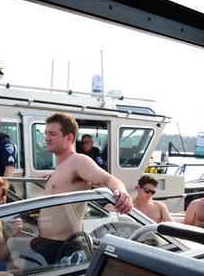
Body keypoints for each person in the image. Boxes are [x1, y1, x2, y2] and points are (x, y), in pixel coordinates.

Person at [30, 113, 133, 265]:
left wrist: (122, 193)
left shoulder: (79, 161)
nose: (47, 138)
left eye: (52, 134)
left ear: (69, 138)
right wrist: (52, 176)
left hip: (62, 248)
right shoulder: (62, 166)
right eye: (46, 133)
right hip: (45, 244)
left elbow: (109, 179)